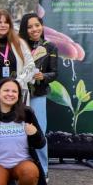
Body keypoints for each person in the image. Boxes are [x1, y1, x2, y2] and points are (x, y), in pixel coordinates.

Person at [19, 13, 58, 175]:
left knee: (39, 130)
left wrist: (44, 76)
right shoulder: (18, 45)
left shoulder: (50, 47)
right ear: (24, 29)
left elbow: (54, 73)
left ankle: (43, 169)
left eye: (37, 25)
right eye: (29, 27)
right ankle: (19, 168)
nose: (34, 29)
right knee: (18, 131)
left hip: (38, 94)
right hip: (18, 95)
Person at [0, 9, 35, 104]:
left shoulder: (20, 43)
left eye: (6, 22)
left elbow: (30, 66)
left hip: (17, 96)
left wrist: (18, 83)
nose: (3, 25)